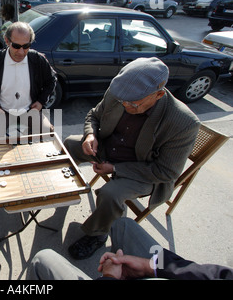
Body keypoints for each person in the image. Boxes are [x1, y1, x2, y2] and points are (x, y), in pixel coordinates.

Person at [64, 57, 200, 260]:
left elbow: (166, 171)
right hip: (107, 149)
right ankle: (64, 189)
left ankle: (97, 235)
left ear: (159, 94)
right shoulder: (120, 92)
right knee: (70, 143)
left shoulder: (184, 122)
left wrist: (116, 169)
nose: (126, 105)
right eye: (123, 102)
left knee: (111, 194)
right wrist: (91, 135)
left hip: (142, 171)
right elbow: (94, 115)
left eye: (133, 104)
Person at [29, 217, 233, 280]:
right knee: (123, 224)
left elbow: (162, 172)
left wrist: (110, 278)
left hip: (135, 175)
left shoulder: (181, 122)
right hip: (171, 270)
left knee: (42, 259)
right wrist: (150, 266)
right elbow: (207, 273)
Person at [0, 21, 57, 139]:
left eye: (26, 46)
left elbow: (51, 80)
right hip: (2, 112)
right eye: (16, 46)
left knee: (48, 133)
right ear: (7, 41)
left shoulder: (38, 59)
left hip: (29, 110)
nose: (21, 52)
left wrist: (41, 101)